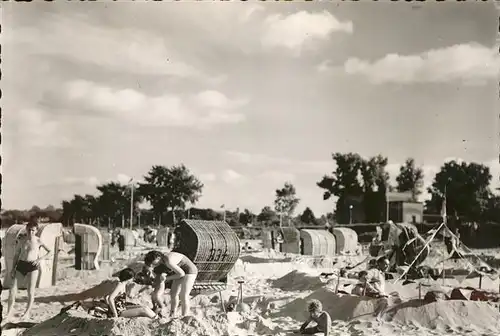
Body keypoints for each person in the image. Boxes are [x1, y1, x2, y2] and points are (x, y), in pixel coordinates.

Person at [6, 220, 52, 320]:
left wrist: (40, 259)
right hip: (21, 265)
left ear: (36, 231)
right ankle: (9, 313)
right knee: (12, 289)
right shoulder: (22, 240)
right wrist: (13, 268)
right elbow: (16, 255)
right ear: (26, 229)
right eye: (29, 230)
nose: (31, 232)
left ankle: (27, 312)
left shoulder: (38, 241)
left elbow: (50, 251)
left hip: (32, 266)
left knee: (30, 291)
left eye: (33, 230)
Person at [143, 250, 198, 317]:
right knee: (173, 293)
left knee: (184, 295)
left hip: (189, 271)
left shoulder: (167, 260)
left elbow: (181, 274)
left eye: (153, 262)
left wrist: (166, 279)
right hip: (179, 270)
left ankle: (185, 316)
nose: (153, 265)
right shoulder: (162, 260)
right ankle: (172, 314)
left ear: (157, 258)